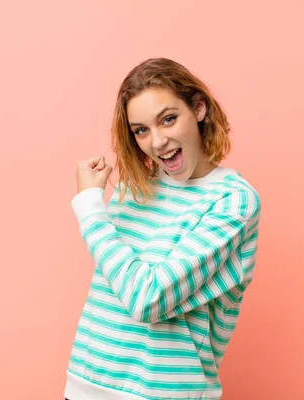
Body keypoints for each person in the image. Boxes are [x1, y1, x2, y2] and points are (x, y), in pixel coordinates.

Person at [64, 58, 261, 400]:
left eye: (168, 119)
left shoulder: (233, 201)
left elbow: (147, 298)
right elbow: (110, 293)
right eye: (141, 130)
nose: (157, 142)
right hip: (85, 384)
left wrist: (90, 208)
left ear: (198, 108)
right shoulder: (135, 187)